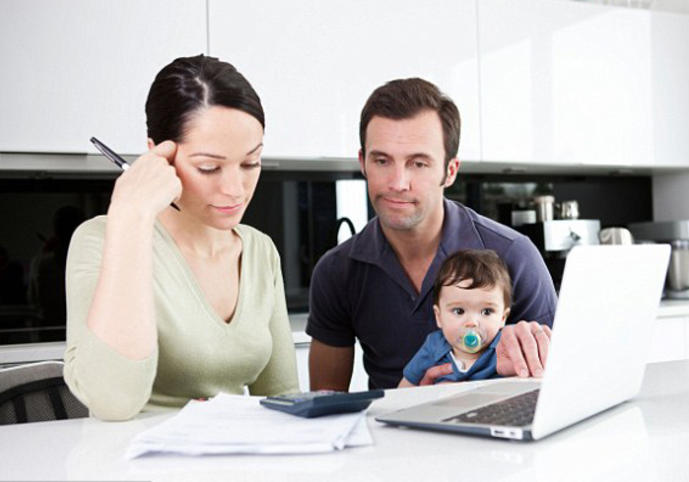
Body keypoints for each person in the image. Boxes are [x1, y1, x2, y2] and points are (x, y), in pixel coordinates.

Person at [63, 55, 299, 421]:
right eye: (209, 167)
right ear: (157, 155)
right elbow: (114, 401)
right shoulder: (101, 239)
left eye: (250, 163)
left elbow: (283, 399)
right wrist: (131, 216)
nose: (235, 189)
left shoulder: (259, 250)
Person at [306, 78, 557, 390]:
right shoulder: (337, 271)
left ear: (450, 171)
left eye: (419, 163)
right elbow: (327, 404)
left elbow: (559, 388)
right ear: (363, 163)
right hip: (390, 422)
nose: (398, 183)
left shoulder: (514, 255)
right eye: (382, 161)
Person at [399, 249, 512, 387]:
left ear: (502, 318)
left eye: (486, 312)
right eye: (459, 311)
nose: (472, 322)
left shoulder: (505, 347)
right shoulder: (434, 346)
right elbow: (405, 387)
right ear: (439, 317)